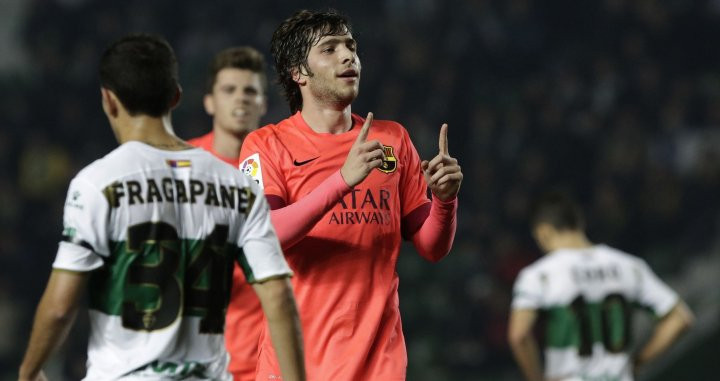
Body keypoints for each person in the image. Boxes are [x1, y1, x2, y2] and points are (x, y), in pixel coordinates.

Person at [18, 34, 305, 381]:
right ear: (176, 97)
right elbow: (279, 298)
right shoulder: (237, 185)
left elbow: (61, 307)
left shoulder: (97, 183)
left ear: (108, 101)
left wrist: (30, 370)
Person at [238, 9, 463, 380]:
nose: (348, 56)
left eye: (350, 46)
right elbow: (265, 234)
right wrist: (342, 181)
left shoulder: (392, 139)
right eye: (329, 48)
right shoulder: (266, 145)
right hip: (296, 366)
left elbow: (431, 247)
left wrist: (445, 200)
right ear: (298, 73)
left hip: (379, 363)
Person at [508, 191, 694, 381]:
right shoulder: (629, 266)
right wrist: (638, 362)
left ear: (543, 232)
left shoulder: (539, 275)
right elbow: (680, 318)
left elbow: (519, 335)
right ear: (580, 223)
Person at [188, 46, 269, 381]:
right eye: (229, 90)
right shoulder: (182, 167)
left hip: (265, 360)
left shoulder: (281, 166)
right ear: (209, 101)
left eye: (251, 91)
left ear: (263, 103)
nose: (241, 99)